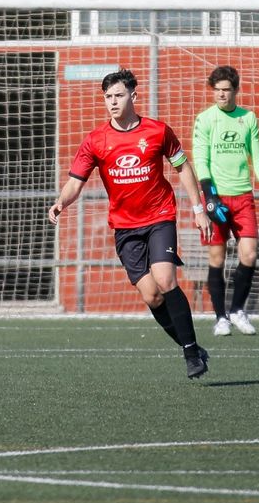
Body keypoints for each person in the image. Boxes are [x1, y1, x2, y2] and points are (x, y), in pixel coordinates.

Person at [48, 69, 214, 378]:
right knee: (151, 295)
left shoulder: (158, 131)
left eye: (119, 95)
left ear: (133, 96)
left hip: (160, 217)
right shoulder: (96, 140)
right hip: (125, 227)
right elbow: (76, 182)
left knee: (165, 279)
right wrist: (61, 201)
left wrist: (198, 209)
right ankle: (191, 346)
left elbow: (183, 168)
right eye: (108, 97)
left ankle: (191, 354)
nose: (112, 102)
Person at [192, 66, 259, 337]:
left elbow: (257, 155)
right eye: (217, 90)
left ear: (236, 90)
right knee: (217, 257)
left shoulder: (248, 118)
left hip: (242, 197)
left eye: (226, 90)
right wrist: (210, 197)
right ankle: (221, 318)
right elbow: (200, 159)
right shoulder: (205, 119)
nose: (221, 95)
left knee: (249, 254)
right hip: (216, 197)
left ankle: (238, 310)